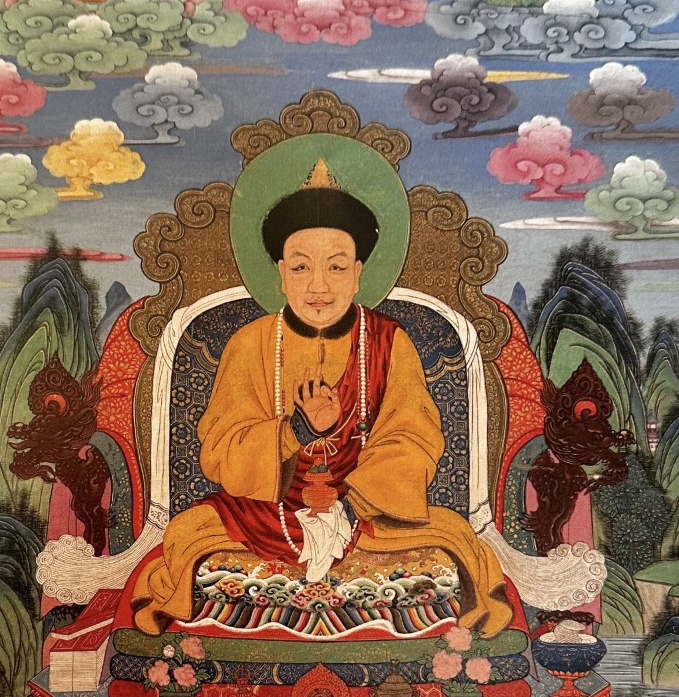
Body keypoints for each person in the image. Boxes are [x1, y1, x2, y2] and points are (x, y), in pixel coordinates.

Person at [131, 158, 512, 637]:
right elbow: (220, 447)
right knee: (185, 534)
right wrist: (297, 431)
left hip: (367, 514)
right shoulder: (250, 344)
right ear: (280, 273)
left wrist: (351, 506)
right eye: (301, 267)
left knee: (458, 540)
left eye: (335, 267)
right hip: (262, 512)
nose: (318, 286)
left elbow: (413, 439)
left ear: (357, 274)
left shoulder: (390, 343)